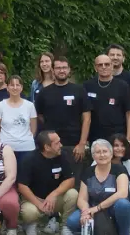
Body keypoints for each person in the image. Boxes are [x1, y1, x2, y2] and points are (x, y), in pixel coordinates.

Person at [65, 139, 130, 235]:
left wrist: (98, 208)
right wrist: (85, 211)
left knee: (123, 204)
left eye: (105, 151)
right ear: (93, 156)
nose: (102, 155)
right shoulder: (88, 172)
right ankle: (97, 233)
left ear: (111, 154)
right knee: (72, 221)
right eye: (98, 152)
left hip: (113, 209)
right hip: (93, 209)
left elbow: (122, 193)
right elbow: (82, 198)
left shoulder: (120, 169)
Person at [34, 57, 91, 186]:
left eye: (64, 68)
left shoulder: (79, 90)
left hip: (74, 146)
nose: (61, 70)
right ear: (53, 70)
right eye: (58, 68)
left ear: (69, 70)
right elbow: (40, 116)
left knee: (75, 182)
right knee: (51, 179)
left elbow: (87, 118)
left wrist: (82, 143)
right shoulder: (44, 93)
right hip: (51, 146)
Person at [18, 130, 78, 235]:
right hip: (34, 200)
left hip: (55, 199)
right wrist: (38, 204)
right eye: (57, 143)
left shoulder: (63, 156)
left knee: (73, 194)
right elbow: (22, 186)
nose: (61, 145)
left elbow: (70, 180)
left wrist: (54, 194)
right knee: (29, 213)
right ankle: (30, 224)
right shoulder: (29, 159)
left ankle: (66, 227)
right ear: (47, 147)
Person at [84, 55, 130, 152]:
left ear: (112, 66)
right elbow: (84, 113)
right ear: (95, 68)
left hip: (117, 137)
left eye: (107, 64)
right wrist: (84, 139)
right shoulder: (87, 86)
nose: (104, 67)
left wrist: (128, 140)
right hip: (95, 137)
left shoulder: (123, 86)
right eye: (100, 65)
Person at [0, 75, 37, 163]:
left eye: (18, 85)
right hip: (6, 148)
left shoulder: (29, 106)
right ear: (7, 87)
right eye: (12, 85)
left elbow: (33, 128)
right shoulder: (0, 106)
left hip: (27, 147)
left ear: (21, 88)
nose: (15, 87)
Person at [106, 133, 130, 216]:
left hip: (122, 199)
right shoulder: (102, 159)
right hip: (104, 196)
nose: (120, 148)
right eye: (116, 145)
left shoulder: (127, 162)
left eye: (122, 146)